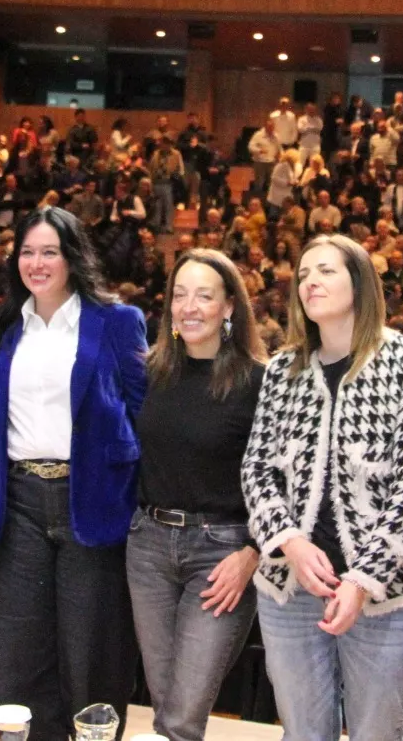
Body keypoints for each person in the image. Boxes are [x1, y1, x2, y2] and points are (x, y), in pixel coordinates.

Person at [240, 234, 403, 741]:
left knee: (376, 732)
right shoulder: (281, 372)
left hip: (391, 595)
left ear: (359, 282)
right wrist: (289, 542)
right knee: (303, 733)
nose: (310, 281)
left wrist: (362, 581)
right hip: (292, 590)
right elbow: (256, 470)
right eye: (304, 273)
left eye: (326, 271)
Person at [0, 206, 148, 739]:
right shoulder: (10, 324)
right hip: (21, 505)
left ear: (73, 256)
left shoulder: (117, 321)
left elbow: (142, 411)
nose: (36, 262)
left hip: (92, 503)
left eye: (49, 251)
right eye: (27, 251)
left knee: (91, 655)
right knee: (18, 658)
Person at [129, 250, 266, 741]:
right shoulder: (151, 372)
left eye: (204, 295)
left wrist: (252, 554)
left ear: (229, 306)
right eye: (179, 295)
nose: (189, 306)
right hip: (147, 547)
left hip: (222, 553)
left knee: (183, 711)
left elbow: (282, 480)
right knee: (166, 701)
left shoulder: (258, 383)